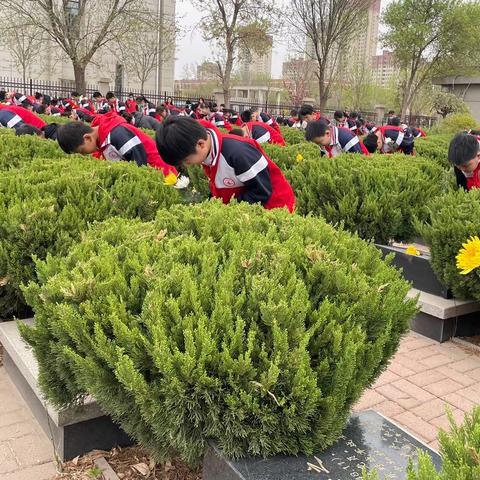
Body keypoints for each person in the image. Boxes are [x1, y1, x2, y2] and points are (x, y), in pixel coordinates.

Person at [155, 116, 295, 211]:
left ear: (201, 144)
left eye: (186, 160)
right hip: (248, 210)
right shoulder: (209, 153)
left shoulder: (238, 153)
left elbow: (262, 191)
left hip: (274, 207)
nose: (187, 165)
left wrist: (229, 210)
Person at [56, 111, 177, 177]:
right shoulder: (101, 139)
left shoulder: (117, 134)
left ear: (87, 138)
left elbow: (141, 164)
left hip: (162, 173)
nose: (83, 155)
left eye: (82, 151)